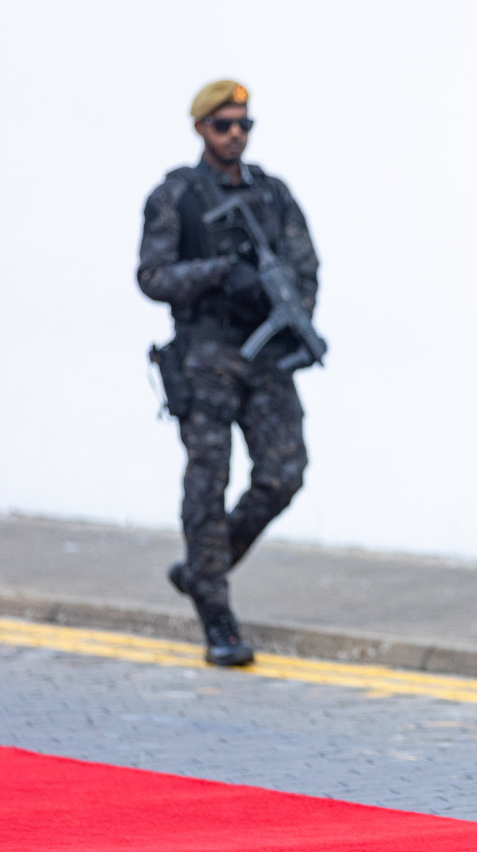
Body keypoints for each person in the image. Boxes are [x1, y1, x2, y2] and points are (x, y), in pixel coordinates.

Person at [137, 80, 319, 666]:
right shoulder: (177, 195)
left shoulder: (272, 194)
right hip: (205, 353)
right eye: (223, 124)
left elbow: (306, 266)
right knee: (208, 481)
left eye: (244, 123)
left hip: (265, 355)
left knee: (284, 473)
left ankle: (201, 569)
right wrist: (219, 273)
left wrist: (292, 314)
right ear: (201, 129)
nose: (235, 133)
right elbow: (152, 276)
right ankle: (216, 614)